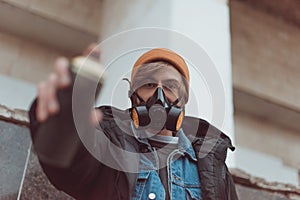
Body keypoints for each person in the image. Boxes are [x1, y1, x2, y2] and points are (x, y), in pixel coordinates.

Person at [29, 46, 238, 200]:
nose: (159, 94)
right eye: (149, 84)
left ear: (183, 99)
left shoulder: (211, 162)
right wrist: (63, 121)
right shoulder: (108, 142)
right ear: (133, 94)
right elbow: (70, 166)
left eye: (170, 86)